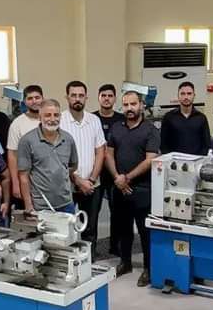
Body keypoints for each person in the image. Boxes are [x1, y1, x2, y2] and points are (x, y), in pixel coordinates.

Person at [106, 91, 160, 287]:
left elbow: (150, 159)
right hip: (119, 188)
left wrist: (127, 177)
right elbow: (108, 154)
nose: (129, 108)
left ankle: (148, 269)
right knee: (123, 229)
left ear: (141, 105)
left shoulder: (150, 130)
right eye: (126, 105)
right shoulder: (116, 128)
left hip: (142, 189)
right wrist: (117, 178)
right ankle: (125, 262)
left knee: (145, 232)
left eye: (133, 104)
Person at [60, 81, 106, 255]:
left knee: (90, 226)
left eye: (81, 95)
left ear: (86, 97)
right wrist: (78, 180)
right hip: (67, 185)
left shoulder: (94, 120)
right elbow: (59, 157)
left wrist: (91, 180)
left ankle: (89, 261)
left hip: (92, 184)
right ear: (67, 97)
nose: (77, 99)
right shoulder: (60, 121)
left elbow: (100, 152)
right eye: (73, 95)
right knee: (66, 227)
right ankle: (68, 260)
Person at [18, 99, 79, 215]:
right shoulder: (27, 141)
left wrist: (59, 174)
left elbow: (73, 166)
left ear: (60, 116)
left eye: (56, 115)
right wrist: (28, 206)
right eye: (47, 115)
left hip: (66, 204)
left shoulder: (68, 139)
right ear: (40, 117)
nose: (52, 119)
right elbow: (23, 176)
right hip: (40, 206)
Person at [93, 84, 126, 258]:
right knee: (93, 212)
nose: (107, 98)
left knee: (117, 212)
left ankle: (116, 246)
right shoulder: (92, 119)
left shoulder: (121, 119)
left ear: (114, 98)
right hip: (96, 173)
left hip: (115, 172)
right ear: (98, 97)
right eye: (103, 95)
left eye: (110, 95)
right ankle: (91, 248)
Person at [7, 85, 43, 207]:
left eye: (37, 97)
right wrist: (16, 183)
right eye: (30, 98)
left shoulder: (49, 120)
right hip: (26, 181)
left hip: (47, 181)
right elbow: (12, 155)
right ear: (24, 101)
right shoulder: (17, 124)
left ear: (43, 98)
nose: (34, 101)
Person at [160, 81, 210, 155]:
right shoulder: (168, 117)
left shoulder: (201, 118)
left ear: (194, 96)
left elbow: (206, 144)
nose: (186, 97)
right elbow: (163, 144)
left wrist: (199, 159)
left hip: (196, 160)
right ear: (178, 96)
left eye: (189, 93)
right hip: (174, 160)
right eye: (182, 94)